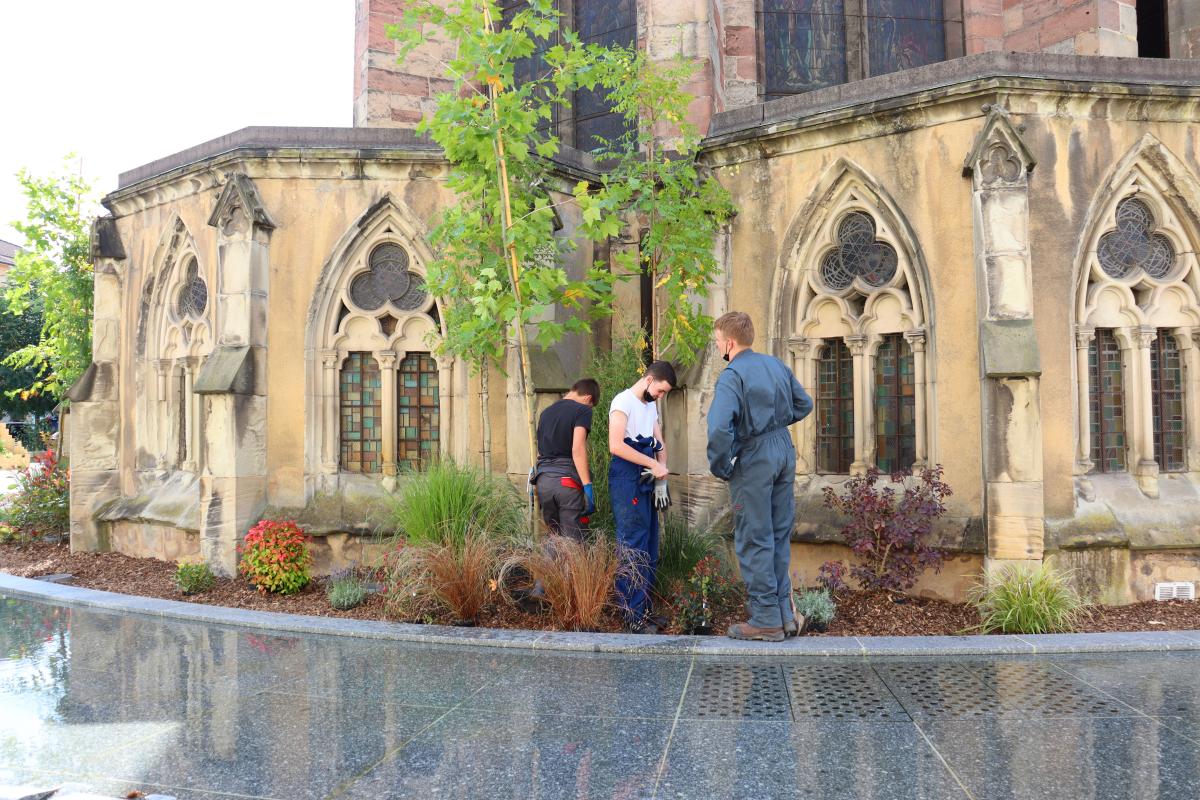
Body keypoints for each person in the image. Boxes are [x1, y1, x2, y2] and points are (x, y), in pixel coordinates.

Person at [706, 311, 813, 642]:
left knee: (754, 537)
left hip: (754, 455)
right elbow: (804, 404)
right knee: (778, 535)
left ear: (729, 342)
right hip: (783, 448)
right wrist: (775, 424)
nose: (717, 346)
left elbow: (719, 430)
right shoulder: (776, 365)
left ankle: (766, 619)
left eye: (717, 341)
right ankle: (785, 616)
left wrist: (721, 465)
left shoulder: (732, 375)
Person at [608, 360, 677, 633]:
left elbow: (659, 443)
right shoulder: (622, 401)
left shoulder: (650, 406)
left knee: (649, 546)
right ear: (649, 380)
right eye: (660, 391)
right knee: (632, 547)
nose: (660, 396)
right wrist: (652, 465)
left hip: (647, 478)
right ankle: (630, 615)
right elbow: (615, 445)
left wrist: (662, 474)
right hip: (627, 478)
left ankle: (644, 610)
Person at [532, 378, 600, 541]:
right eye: (591, 405)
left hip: (544, 482)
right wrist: (587, 486)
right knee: (573, 541)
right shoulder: (582, 410)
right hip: (567, 483)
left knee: (554, 537)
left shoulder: (545, 413)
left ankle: (549, 568)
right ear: (588, 398)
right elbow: (577, 449)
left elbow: (540, 452)